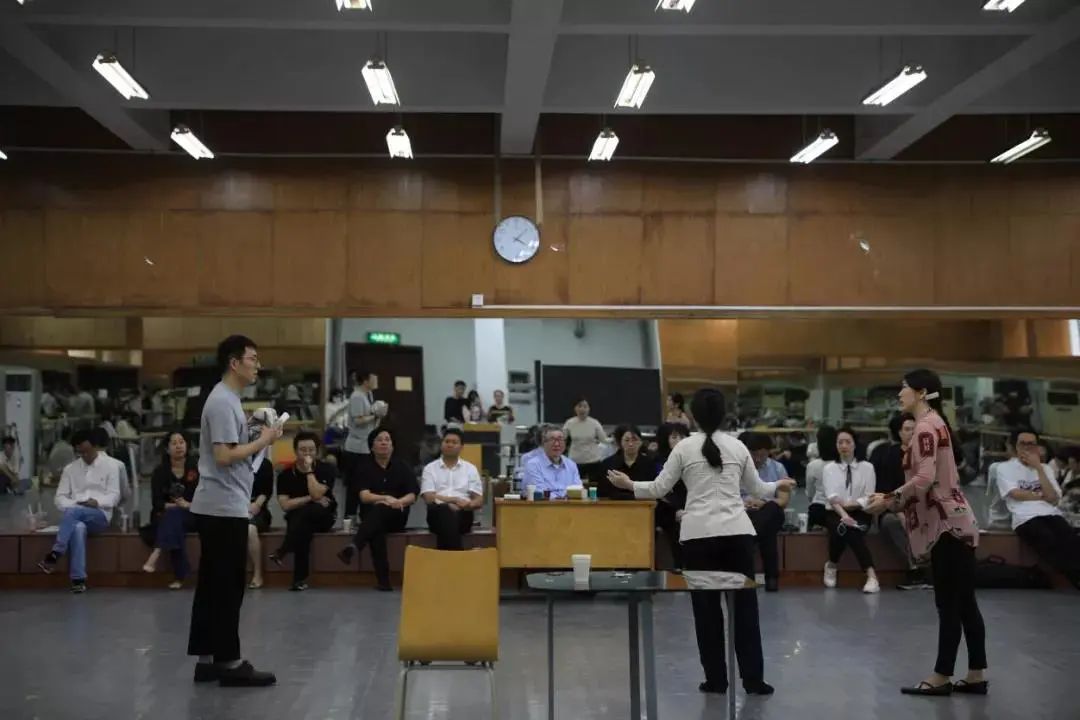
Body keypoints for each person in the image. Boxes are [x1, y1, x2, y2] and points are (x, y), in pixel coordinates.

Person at [608, 389, 795, 696]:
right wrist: (779, 484)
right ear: (723, 416)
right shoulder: (737, 446)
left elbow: (658, 488)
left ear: (692, 416)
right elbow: (759, 489)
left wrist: (628, 484)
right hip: (737, 534)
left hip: (697, 537)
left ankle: (716, 680)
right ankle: (753, 680)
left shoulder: (683, 448)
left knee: (706, 612)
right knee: (745, 610)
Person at [866, 369, 986, 697]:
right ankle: (976, 674)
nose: (899, 394)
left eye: (904, 388)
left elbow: (924, 479)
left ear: (920, 392)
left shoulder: (924, 427)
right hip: (956, 522)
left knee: (949, 603)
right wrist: (892, 500)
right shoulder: (936, 423)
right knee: (964, 602)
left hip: (945, 526)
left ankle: (941, 675)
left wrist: (888, 500)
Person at [186, 335, 282, 688]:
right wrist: (264, 440)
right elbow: (225, 455)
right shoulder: (222, 401)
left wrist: (253, 426)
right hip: (223, 505)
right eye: (252, 358)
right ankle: (229, 661)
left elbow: (230, 445)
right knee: (227, 586)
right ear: (234, 362)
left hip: (219, 503)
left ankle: (207, 659)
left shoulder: (227, 400)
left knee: (212, 585)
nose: (257, 365)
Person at [37, 430, 122, 592]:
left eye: (87, 451)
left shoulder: (111, 466)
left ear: (95, 447)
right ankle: (78, 580)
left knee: (73, 512)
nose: (84, 456)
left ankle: (56, 553)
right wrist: (77, 504)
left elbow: (114, 496)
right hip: (76, 514)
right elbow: (59, 498)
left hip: (100, 515)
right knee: (78, 527)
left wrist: (97, 502)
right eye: (80, 453)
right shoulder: (70, 469)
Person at [994, 428, 1080, 589]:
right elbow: (1016, 494)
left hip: (1051, 513)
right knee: (1049, 540)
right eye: (1023, 444)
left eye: (1032, 444)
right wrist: (1042, 495)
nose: (1028, 447)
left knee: (1071, 539)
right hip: (1025, 517)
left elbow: (1053, 498)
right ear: (1015, 446)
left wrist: (1038, 468)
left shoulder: (1045, 468)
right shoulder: (1004, 468)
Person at [337, 427, 419, 590]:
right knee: (376, 528)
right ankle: (384, 582)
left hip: (397, 514)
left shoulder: (402, 466)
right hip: (372, 515)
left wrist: (398, 502)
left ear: (392, 446)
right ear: (372, 446)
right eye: (379, 440)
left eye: (387, 440)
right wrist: (385, 498)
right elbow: (364, 496)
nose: (384, 443)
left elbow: (412, 495)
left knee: (376, 518)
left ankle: (355, 546)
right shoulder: (363, 467)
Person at [870, 413, 931, 590]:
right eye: (907, 429)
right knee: (892, 522)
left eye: (915, 429)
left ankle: (933, 570)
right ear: (899, 432)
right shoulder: (887, 455)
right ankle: (916, 569)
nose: (912, 433)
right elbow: (884, 491)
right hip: (891, 508)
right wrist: (900, 511)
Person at [270, 432, 337, 591]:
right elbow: (285, 505)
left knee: (305, 514)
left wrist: (309, 472)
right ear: (295, 451)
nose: (307, 454)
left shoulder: (326, 469)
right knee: (303, 526)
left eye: (311, 450)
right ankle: (298, 580)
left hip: (323, 516)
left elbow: (317, 494)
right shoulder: (285, 475)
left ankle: (283, 551)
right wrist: (309, 499)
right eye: (303, 450)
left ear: (317, 451)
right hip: (298, 518)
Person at [822, 427, 880, 593]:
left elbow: (869, 496)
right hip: (835, 511)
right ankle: (871, 575)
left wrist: (852, 505)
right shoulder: (829, 468)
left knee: (849, 529)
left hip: (861, 511)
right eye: (840, 442)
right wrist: (844, 515)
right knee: (845, 527)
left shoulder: (867, 467)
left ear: (855, 444)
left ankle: (832, 563)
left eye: (848, 442)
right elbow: (832, 497)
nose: (844, 446)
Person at [143, 431, 199, 589]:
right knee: (174, 520)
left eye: (181, 442)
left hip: (193, 513)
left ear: (187, 445)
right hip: (166, 513)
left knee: (173, 519)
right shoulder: (160, 472)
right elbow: (157, 502)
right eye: (174, 443)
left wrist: (188, 505)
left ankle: (157, 551)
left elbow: (206, 497)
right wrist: (175, 506)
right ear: (167, 449)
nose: (178, 446)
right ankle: (180, 575)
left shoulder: (198, 468)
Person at [740, 432, 792, 592]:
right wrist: (745, 503)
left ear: (769, 452)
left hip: (769, 511)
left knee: (771, 509)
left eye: (762, 455)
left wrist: (763, 502)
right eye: (753, 454)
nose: (757, 459)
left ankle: (747, 573)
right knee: (768, 533)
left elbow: (783, 500)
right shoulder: (738, 469)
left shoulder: (778, 468)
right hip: (745, 512)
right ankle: (771, 578)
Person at [420, 429, 483, 550]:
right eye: (447, 441)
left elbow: (479, 500)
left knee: (449, 520)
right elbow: (428, 497)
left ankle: (451, 557)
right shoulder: (430, 468)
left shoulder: (470, 469)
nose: (450, 445)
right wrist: (453, 500)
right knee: (444, 511)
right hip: (436, 515)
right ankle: (458, 555)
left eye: (454, 442)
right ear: (441, 444)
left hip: (463, 514)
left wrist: (468, 504)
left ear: (461, 447)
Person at [653, 423, 691, 569]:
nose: (680, 441)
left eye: (683, 437)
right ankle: (679, 567)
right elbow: (662, 490)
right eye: (674, 437)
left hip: (691, 504)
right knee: (674, 523)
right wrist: (677, 509)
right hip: (667, 507)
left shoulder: (695, 460)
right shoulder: (659, 461)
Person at [342, 369, 377, 520]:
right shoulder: (357, 396)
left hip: (366, 446)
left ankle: (365, 516)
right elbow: (358, 420)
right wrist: (375, 415)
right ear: (366, 381)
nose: (376, 382)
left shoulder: (367, 395)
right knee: (354, 485)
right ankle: (349, 517)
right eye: (373, 379)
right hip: (356, 448)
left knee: (366, 484)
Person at [523, 426, 580, 499]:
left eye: (560, 439)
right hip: (544, 505)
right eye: (552, 440)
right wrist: (562, 498)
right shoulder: (533, 464)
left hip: (569, 504)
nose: (557, 444)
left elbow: (577, 489)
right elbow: (538, 492)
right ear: (544, 443)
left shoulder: (571, 464)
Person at [600, 425, 653, 500]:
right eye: (627, 440)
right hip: (614, 505)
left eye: (634, 440)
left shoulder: (650, 463)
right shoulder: (608, 464)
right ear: (620, 442)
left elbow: (652, 489)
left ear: (641, 442)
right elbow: (603, 493)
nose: (631, 444)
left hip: (643, 504)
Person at [563, 397, 607, 483]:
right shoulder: (569, 423)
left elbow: (604, 439)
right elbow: (562, 438)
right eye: (579, 406)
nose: (582, 409)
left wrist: (616, 439)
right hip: (575, 461)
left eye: (585, 406)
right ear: (575, 408)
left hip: (593, 460)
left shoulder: (594, 423)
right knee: (574, 485)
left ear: (589, 409)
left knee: (595, 486)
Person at [246, 456, 274, 590]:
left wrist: (256, 505)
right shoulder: (233, 460)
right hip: (234, 506)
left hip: (258, 510)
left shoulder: (264, 464)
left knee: (250, 529)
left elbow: (266, 492)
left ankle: (257, 574)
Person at [804, 425, 837, 531]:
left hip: (818, 510)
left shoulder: (813, 465)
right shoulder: (845, 465)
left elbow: (810, 493)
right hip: (841, 509)